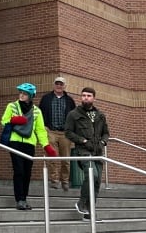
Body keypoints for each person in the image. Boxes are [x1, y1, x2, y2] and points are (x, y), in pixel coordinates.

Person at [1, 83, 58, 210]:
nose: (21, 95)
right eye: (20, 93)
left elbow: (40, 131)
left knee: (27, 172)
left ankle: (24, 198)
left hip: (29, 144)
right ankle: (19, 199)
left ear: (31, 96)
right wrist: (13, 120)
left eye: (25, 93)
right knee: (19, 171)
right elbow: (3, 121)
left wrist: (46, 146)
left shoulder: (37, 111)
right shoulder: (12, 106)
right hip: (15, 142)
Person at [66, 87, 110, 221]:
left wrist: (103, 142)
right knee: (92, 175)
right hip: (83, 151)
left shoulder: (100, 115)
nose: (86, 98)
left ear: (94, 98)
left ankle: (89, 213)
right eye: (84, 95)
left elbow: (106, 133)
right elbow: (68, 132)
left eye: (89, 96)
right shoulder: (74, 114)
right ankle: (81, 203)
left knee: (96, 182)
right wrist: (83, 140)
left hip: (98, 152)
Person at [38, 76, 76, 191]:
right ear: (54, 85)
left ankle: (64, 181)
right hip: (51, 131)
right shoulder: (46, 98)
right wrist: (43, 127)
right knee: (52, 156)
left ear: (64, 86)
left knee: (66, 159)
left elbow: (74, 116)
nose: (59, 86)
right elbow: (40, 113)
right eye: (57, 84)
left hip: (65, 133)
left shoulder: (69, 100)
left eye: (61, 84)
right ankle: (54, 180)